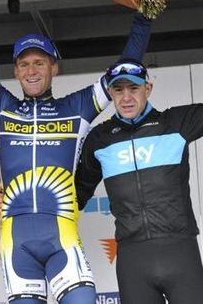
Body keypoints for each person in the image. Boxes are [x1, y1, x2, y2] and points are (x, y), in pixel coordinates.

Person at [0, 0, 152, 304]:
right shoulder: (0, 106)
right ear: (15, 71)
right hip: (16, 244)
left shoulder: (77, 108)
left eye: (39, 63)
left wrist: (143, 15)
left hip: (62, 237)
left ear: (54, 67)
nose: (31, 70)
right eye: (24, 64)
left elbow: (126, 65)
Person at [75, 58, 203, 304]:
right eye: (119, 90)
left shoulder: (175, 123)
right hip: (133, 261)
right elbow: (76, 194)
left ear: (148, 89)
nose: (126, 98)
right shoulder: (100, 138)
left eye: (133, 88)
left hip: (181, 252)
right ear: (110, 93)